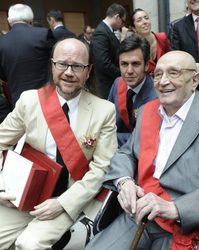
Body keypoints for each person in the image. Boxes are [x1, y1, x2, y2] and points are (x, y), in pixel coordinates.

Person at [85, 50, 199, 250]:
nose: (163, 81)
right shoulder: (147, 111)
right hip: (139, 214)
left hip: (187, 221)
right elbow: (126, 153)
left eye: (173, 73)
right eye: (158, 74)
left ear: (195, 79)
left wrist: (175, 208)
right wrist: (124, 182)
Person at [0, 38, 117, 249]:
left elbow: (102, 169)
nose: (69, 72)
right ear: (52, 65)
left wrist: (63, 204)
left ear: (88, 70)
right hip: (23, 194)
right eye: (62, 64)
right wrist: (1, 188)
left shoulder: (104, 111)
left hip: (66, 198)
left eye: (78, 66)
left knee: (28, 244)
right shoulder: (30, 101)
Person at [0, 3, 55, 108]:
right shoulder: (44, 34)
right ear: (31, 19)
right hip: (47, 97)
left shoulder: (1, 43)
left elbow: (3, 76)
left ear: (9, 21)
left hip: (19, 101)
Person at [108, 34, 157, 147]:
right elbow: (107, 121)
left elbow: (145, 139)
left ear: (146, 66)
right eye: (124, 64)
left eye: (135, 64)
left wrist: (109, 137)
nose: (129, 71)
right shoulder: (117, 83)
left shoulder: (156, 96)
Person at [90, 3, 127, 99]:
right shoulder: (101, 32)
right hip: (106, 84)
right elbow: (103, 63)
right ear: (117, 17)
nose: (122, 26)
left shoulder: (108, 30)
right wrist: (122, 73)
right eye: (123, 22)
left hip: (111, 82)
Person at [131, 8, 170, 76]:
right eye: (139, 20)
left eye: (146, 18)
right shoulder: (134, 47)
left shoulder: (162, 37)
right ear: (134, 28)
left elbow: (170, 58)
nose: (145, 22)